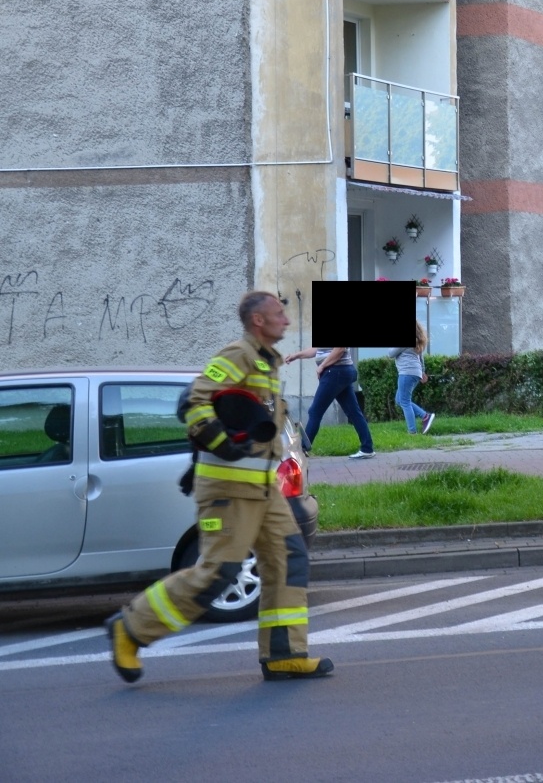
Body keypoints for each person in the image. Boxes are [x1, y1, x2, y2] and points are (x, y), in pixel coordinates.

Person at [106, 291, 334, 683]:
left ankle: (285, 655)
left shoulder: (265, 361)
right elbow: (196, 403)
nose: (286, 319)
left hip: (263, 491)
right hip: (229, 492)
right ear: (258, 321)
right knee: (217, 573)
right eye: (278, 313)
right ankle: (131, 628)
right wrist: (223, 446)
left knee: (288, 560)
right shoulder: (237, 355)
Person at [285, 343, 375, 458]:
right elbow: (317, 349)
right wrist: (296, 356)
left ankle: (302, 450)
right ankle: (367, 448)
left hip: (335, 372)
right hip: (339, 372)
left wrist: (322, 366)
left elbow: (340, 349)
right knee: (354, 412)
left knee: (315, 411)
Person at [391, 320, 435, 435]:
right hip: (414, 373)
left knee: (404, 402)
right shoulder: (417, 341)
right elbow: (421, 359)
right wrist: (423, 372)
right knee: (399, 400)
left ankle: (412, 432)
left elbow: (390, 353)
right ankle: (425, 416)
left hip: (406, 373)